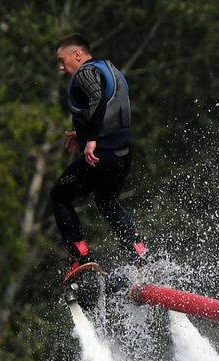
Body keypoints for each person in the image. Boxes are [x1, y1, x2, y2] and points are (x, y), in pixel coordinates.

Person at [50, 33, 147, 280]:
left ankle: (81, 256)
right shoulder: (110, 69)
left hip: (101, 156)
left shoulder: (85, 72)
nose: (61, 67)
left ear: (77, 55)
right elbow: (110, 112)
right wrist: (80, 133)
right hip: (122, 155)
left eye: (62, 60)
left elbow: (97, 99)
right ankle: (139, 253)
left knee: (60, 195)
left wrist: (90, 139)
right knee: (105, 199)